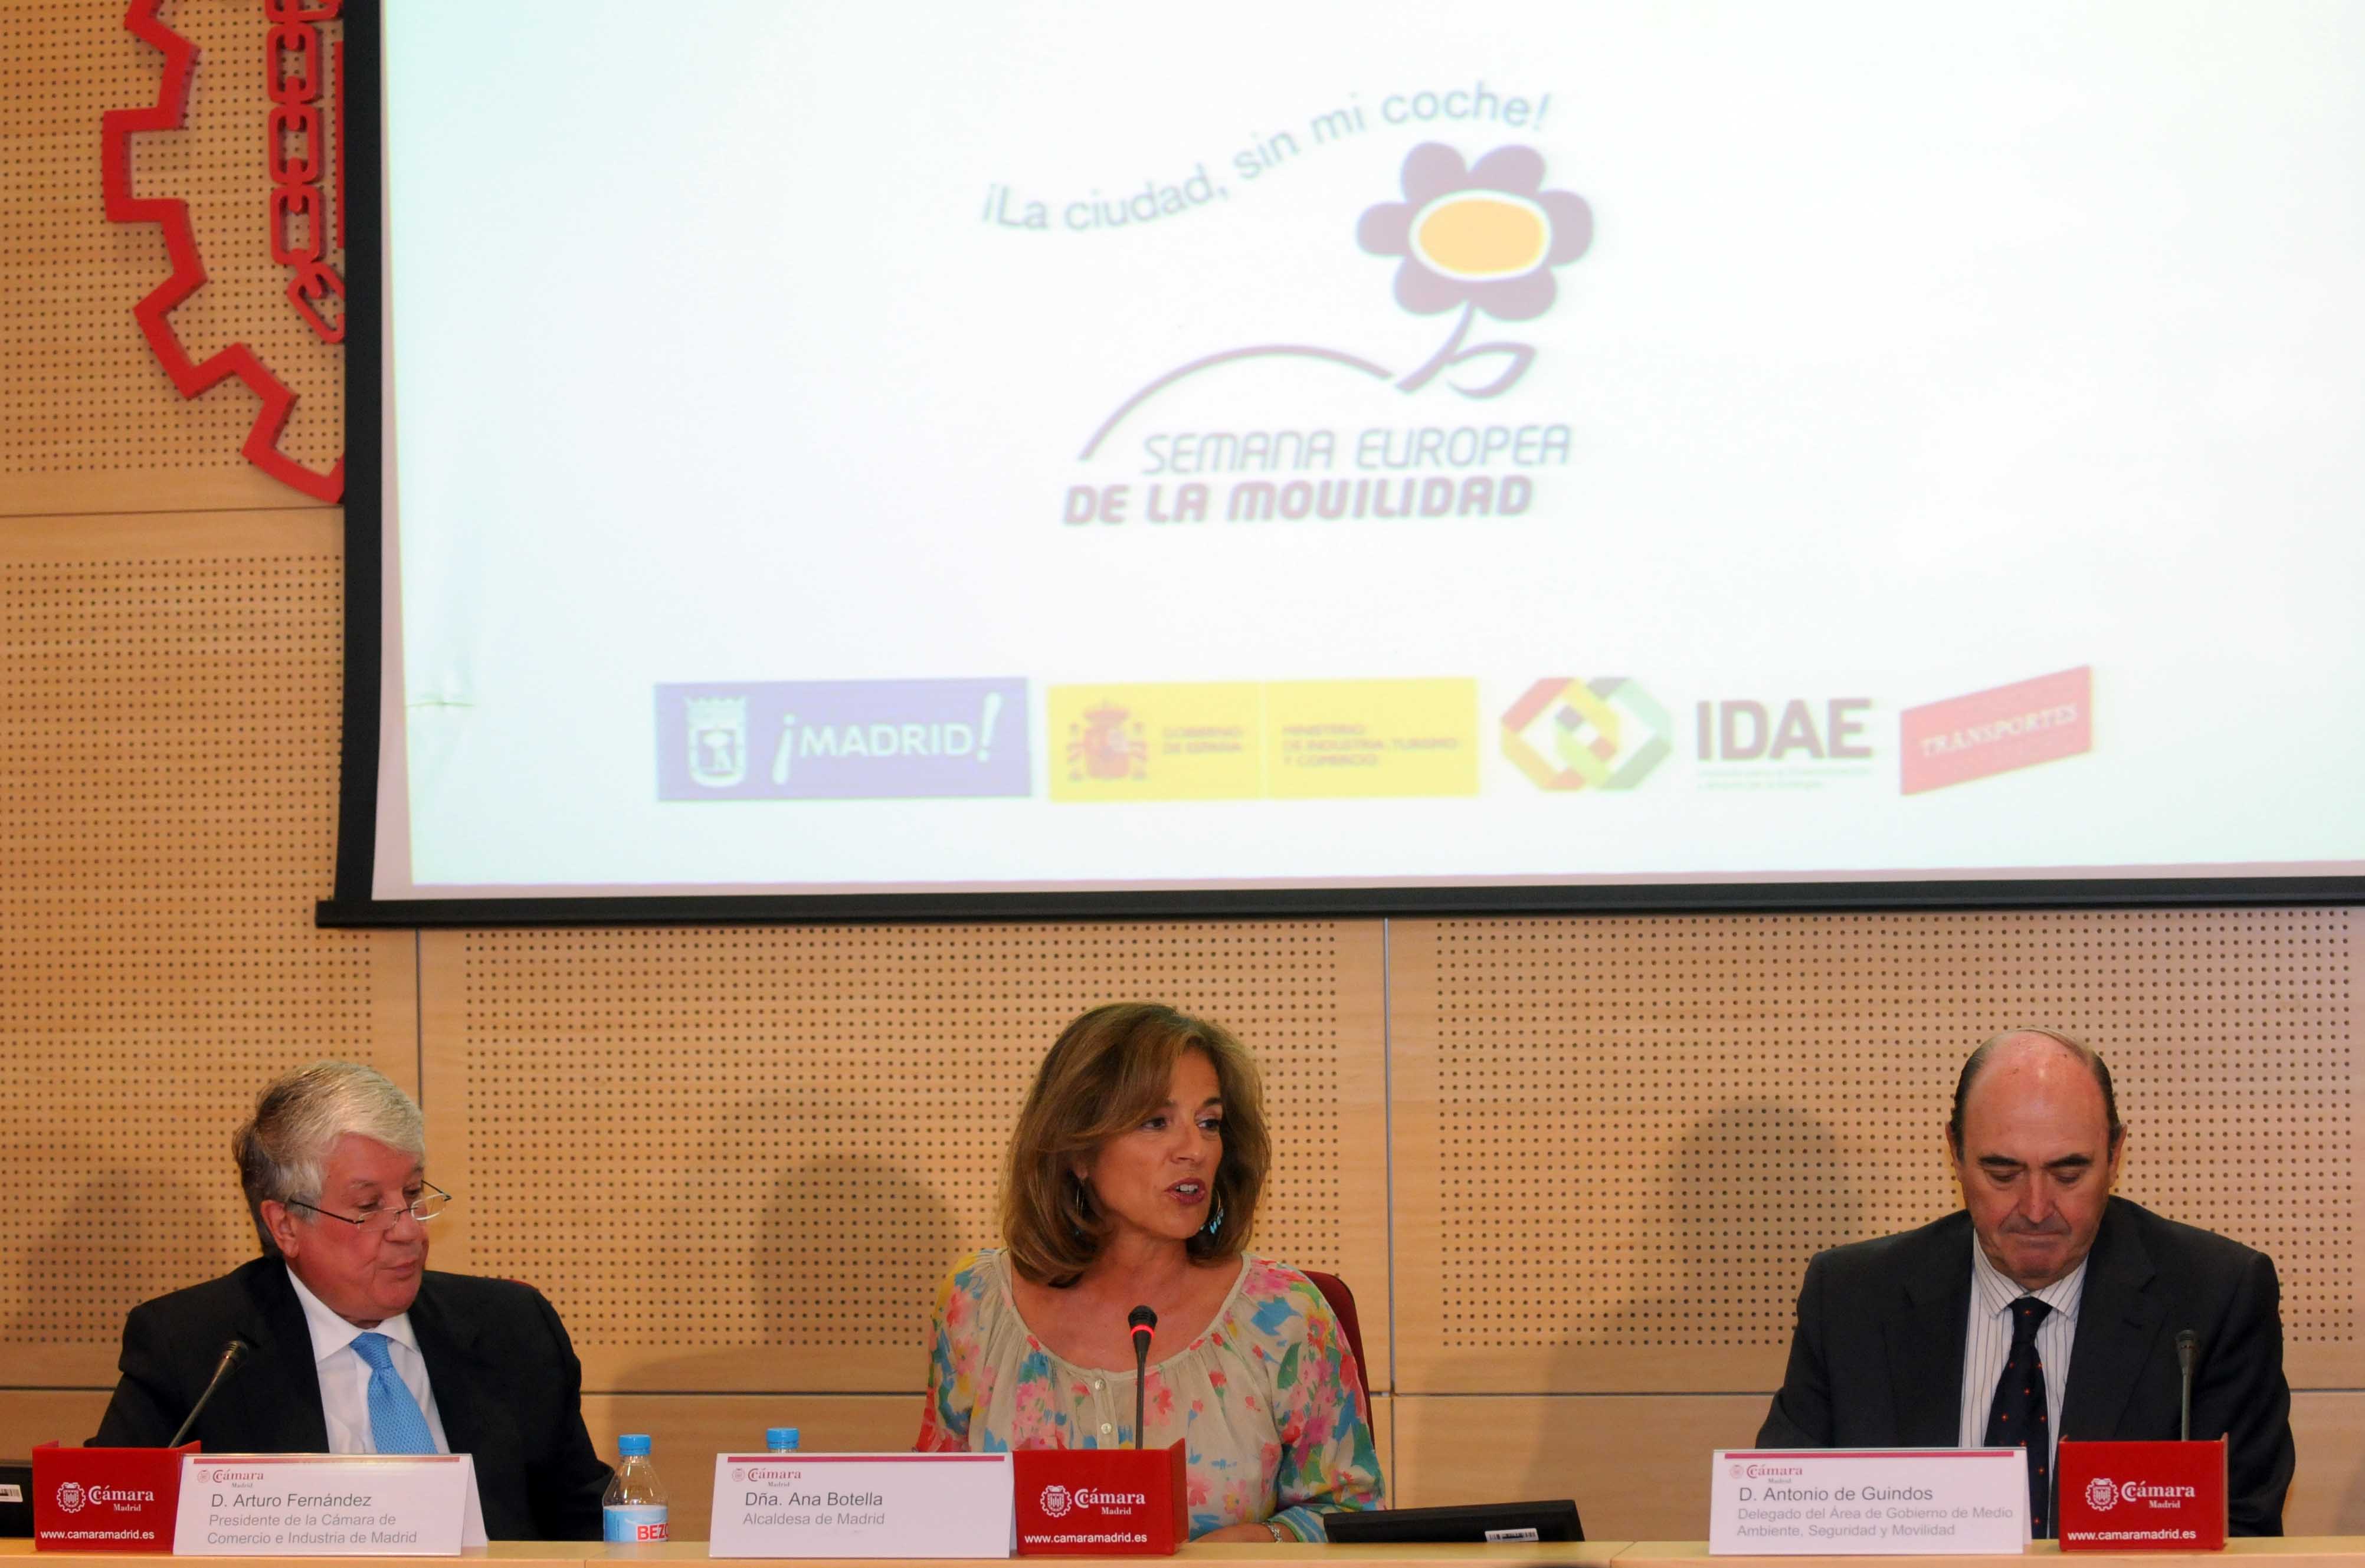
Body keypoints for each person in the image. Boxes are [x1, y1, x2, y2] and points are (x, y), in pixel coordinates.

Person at [1755, 1029, 2295, 1536]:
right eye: (2003, 1174)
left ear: (2115, 1155)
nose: (2036, 1210)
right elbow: (1787, 1521)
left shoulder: (2215, 1297)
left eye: (2068, 1174)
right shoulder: (1851, 1298)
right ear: (1955, 1152)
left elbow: (2243, 1529)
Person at [916, 1002, 1384, 1541]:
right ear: (1079, 1151)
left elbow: (1353, 1515)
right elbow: (931, 1513)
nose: (1195, 1150)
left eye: (1209, 1124)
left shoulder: (1284, 1316)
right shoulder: (977, 1304)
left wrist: (1262, 1542)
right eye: (1156, 1122)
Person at [92, 1061, 611, 1540]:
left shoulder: (512, 1328)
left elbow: (585, 1518)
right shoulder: (193, 1348)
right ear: (285, 1226)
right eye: (368, 1206)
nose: (409, 1230)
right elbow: (109, 1522)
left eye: (412, 1194)